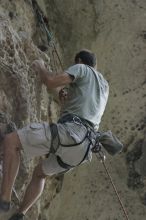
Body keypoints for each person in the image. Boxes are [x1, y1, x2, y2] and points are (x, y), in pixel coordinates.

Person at [0, 49, 109, 220]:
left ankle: (4, 201)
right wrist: (66, 95)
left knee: (11, 141)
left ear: (79, 61)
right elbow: (79, 104)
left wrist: (42, 67)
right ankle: (20, 215)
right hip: (83, 149)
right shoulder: (104, 85)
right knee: (40, 173)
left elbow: (50, 81)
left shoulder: (81, 69)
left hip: (70, 133)